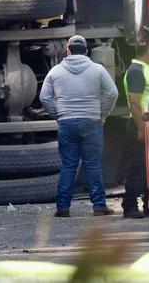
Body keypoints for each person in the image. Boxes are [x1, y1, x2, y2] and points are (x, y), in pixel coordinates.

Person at [39, 35, 118, 217]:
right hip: (91, 121)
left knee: (68, 166)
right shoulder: (98, 70)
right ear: (86, 51)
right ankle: (99, 206)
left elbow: (44, 97)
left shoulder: (55, 71)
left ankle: (63, 208)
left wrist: (58, 114)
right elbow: (112, 93)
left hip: (66, 122)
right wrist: (102, 114)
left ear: (67, 50)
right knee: (92, 165)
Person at [122, 45, 149, 219]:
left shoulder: (145, 69)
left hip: (148, 125)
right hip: (140, 125)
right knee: (138, 166)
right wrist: (140, 126)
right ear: (148, 51)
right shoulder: (136, 71)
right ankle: (130, 205)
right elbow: (134, 102)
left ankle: (148, 204)